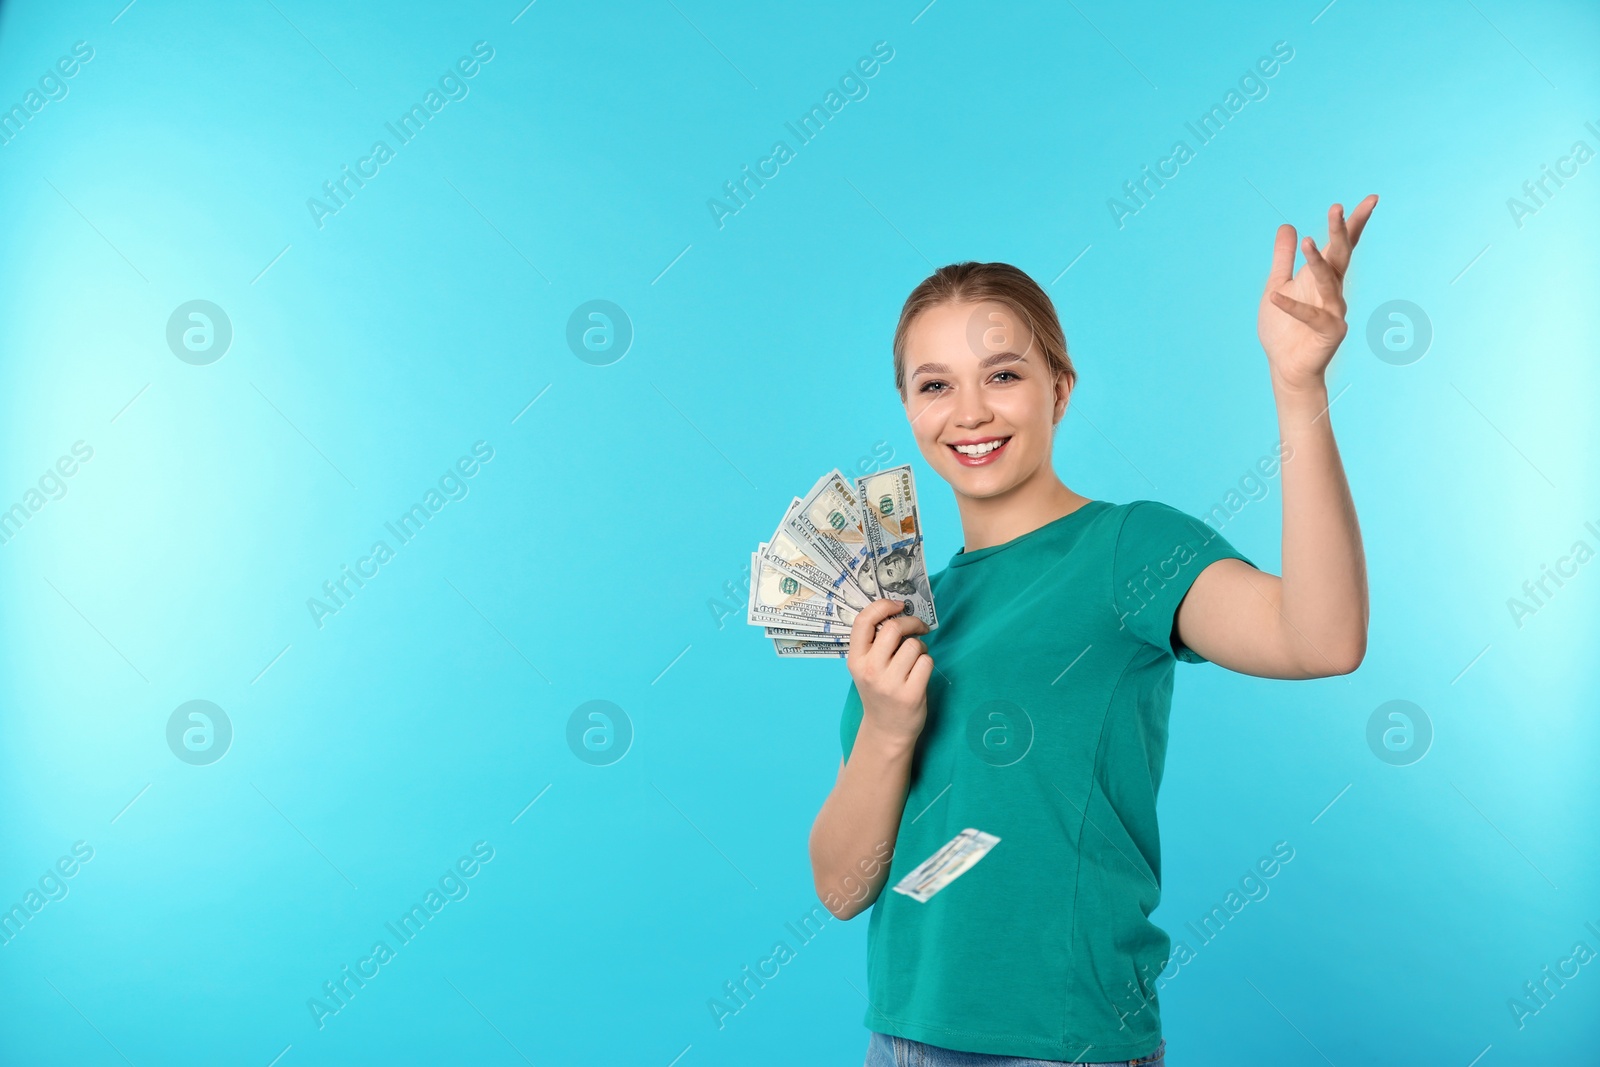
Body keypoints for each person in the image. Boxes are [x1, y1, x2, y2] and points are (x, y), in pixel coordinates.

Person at [808, 198, 1376, 1066]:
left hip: (1064, 1045)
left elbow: (1322, 638)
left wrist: (1298, 385)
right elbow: (844, 889)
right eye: (935, 384)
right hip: (902, 1041)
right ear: (908, 407)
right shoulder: (904, 617)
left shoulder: (1127, 548)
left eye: (1002, 374)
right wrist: (886, 726)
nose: (969, 412)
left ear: (1058, 390)